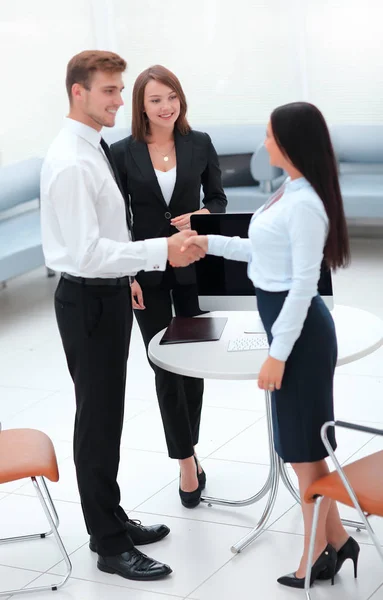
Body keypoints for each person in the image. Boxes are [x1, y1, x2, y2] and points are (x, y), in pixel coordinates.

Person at [40, 50, 205, 582]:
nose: (119, 100)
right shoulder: (71, 160)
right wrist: (159, 253)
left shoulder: (94, 149)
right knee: (97, 422)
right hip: (88, 296)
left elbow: (109, 236)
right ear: (78, 93)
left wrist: (129, 274)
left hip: (107, 294)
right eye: (109, 91)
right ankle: (108, 544)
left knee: (108, 415)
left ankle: (111, 518)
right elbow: (88, 252)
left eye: (118, 89)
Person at [182, 102, 360, 588]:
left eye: (269, 136)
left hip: (299, 333)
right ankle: (339, 542)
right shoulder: (289, 192)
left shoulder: (305, 204)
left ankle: (314, 555)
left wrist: (278, 354)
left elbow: (303, 284)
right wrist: (208, 242)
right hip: (288, 325)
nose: (263, 144)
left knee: (303, 453)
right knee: (306, 450)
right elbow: (260, 254)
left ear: (290, 143)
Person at [111, 65, 227, 508]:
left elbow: (217, 198)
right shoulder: (122, 152)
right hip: (147, 271)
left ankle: (190, 448)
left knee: (193, 363)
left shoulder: (199, 143)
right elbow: (116, 219)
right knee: (165, 365)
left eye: (172, 96)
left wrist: (201, 217)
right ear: (141, 105)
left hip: (195, 266)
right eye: (155, 99)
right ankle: (184, 462)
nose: (166, 106)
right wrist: (129, 273)